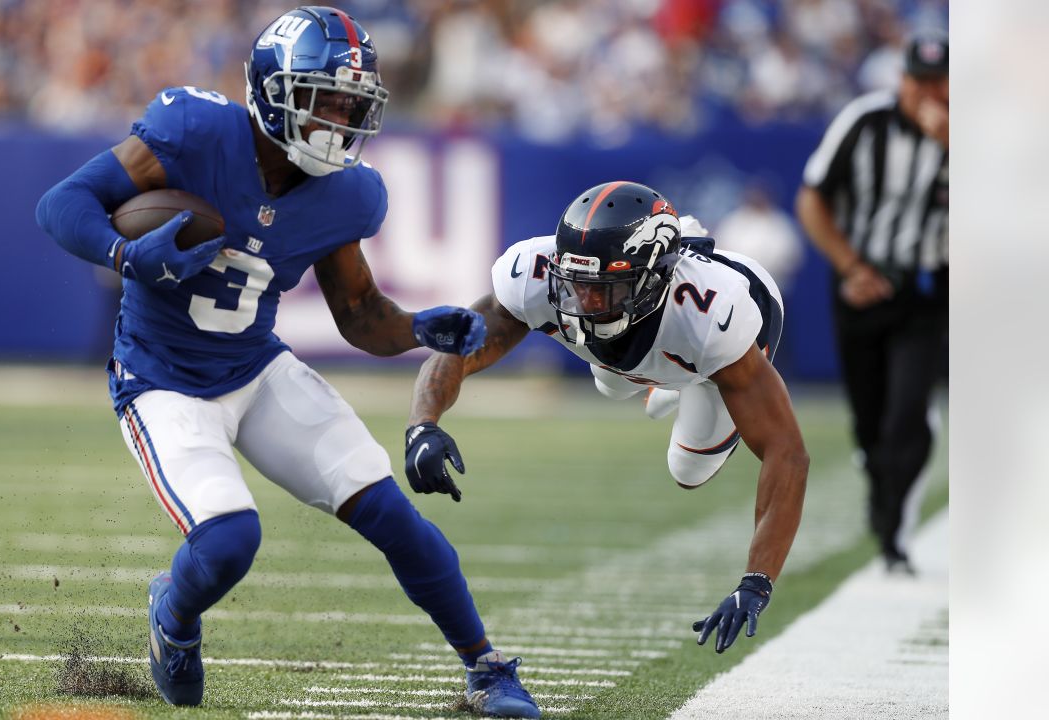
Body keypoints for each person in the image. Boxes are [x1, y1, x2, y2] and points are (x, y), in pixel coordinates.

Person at [35, 7, 540, 718]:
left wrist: (420, 328)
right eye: (326, 101)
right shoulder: (197, 133)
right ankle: (173, 619)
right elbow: (63, 202)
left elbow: (361, 315)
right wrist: (124, 254)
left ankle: (486, 669)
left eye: (353, 106)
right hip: (161, 380)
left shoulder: (348, 194)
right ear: (273, 91)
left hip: (256, 367)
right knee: (231, 537)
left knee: (394, 516)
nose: (341, 121)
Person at [406, 181, 809, 655]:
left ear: (652, 278)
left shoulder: (712, 320)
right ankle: (658, 377)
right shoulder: (536, 275)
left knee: (688, 467)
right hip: (647, 342)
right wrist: (423, 424)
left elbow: (788, 451)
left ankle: (681, 379)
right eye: (575, 284)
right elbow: (460, 345)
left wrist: (757, 582)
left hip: (728, 331)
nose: (583, 301)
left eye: (604, 289)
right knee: (611, 380)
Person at [795, 31, 948, 575]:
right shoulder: (865, 121)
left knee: (908, 414)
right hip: (862, 287)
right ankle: (882, 485)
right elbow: (812, 196)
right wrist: (850, 266)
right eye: (920, 79)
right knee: (868, 422)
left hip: (930, 289)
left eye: (941, 80)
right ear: (902, 80)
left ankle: (891, 532)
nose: (930, 92)